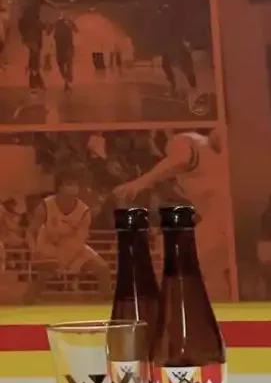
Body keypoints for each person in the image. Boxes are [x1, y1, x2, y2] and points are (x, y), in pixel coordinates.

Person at [113, 129, 233, 298]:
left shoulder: (185, 139)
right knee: (214, 279)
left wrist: (141, 181)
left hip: (220, 221)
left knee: (178, 266)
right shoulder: (211, 155)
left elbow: (181, 159)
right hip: (227, 224)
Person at [27, 168, 110, 303]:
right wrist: (33, 250)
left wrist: (67, 261)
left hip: (75, 248)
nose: (73, 188)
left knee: (103, 268)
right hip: (49, 246)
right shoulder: (45, 206)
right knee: (42, 277)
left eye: (75, 184)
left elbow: (80, 239)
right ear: (60, 188)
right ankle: (28, 303)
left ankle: (106, 302)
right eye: (69, 184)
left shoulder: (84, 211)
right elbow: (30, 232)